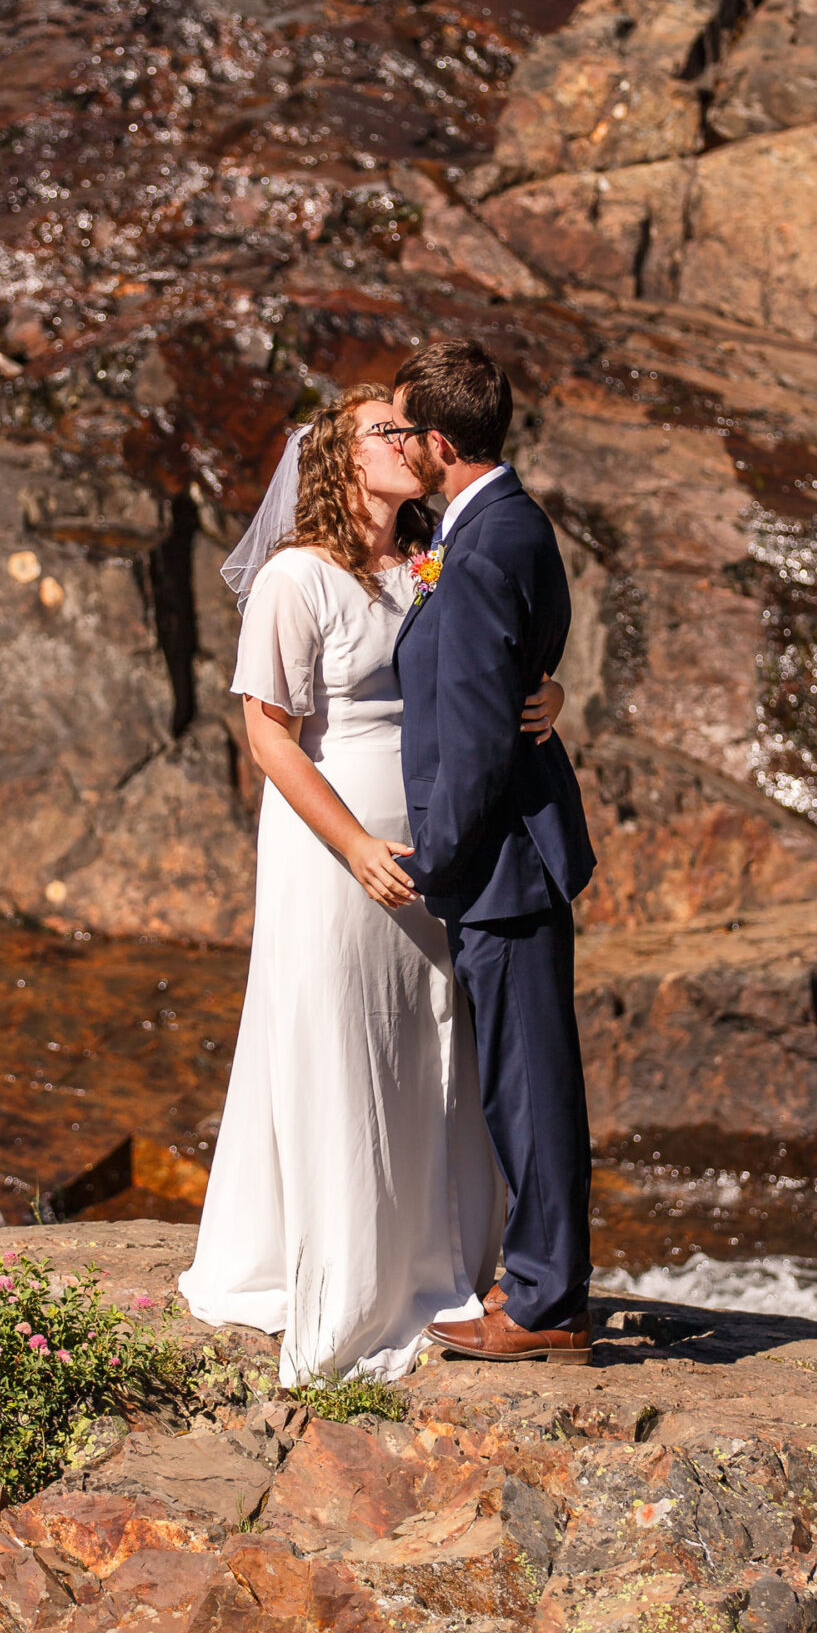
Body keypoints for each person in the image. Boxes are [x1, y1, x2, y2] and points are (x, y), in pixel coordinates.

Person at [177, 386, 564, 1383]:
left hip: (441, 843)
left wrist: (546, 693)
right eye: (385, 430)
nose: (408, 440)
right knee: (344, 1041)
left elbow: (484, 665)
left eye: (408, 427)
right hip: (336, 850)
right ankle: (347, 1275)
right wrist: (351, 842)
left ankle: (438, 1269)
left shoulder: (434, 560)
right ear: (342, 460)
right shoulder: (295, 578)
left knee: (434, 1049)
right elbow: (268, 731)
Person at [390, 338, 597, 1365]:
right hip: (519, 851)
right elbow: (530, 657)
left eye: (403, 429)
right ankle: (542, 1276)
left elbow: (475, 737)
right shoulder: (504, 523)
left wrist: (436, 858)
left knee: (528, 1083)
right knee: (528, 1076)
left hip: (500, 860)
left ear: (437, 440)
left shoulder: (476, 551)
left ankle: (548, 1297)